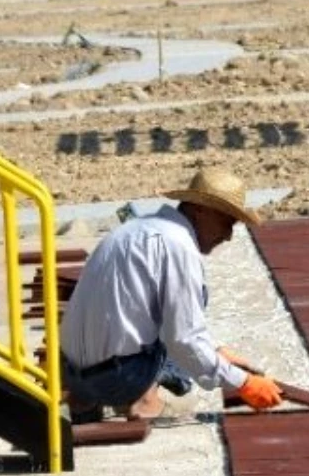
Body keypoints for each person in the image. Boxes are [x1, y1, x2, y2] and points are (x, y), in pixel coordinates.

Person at [59, 167, 283, 423]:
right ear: (201, 210)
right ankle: (145, 402)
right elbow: (184, 340)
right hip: (117, 381)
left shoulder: (134, 228)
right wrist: (242, 382)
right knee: (187, 317)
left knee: (172, 318)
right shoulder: (179, 246)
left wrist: (216, 353)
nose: (228, 236)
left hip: (71, 376)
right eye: (226, 222)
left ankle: (83, 402)